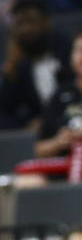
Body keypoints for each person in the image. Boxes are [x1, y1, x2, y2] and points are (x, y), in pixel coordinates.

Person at [0, 0, 70, 139]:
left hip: (67, 112)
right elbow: (4, 108)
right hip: (36, 119)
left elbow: (72, 88)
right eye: (20, 24)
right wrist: (11, 70)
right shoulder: (21, 61)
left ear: (46, 22)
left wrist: (47, 118)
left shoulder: (65, 47)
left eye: (30, 22)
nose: (25, 29)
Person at [36, 30, 82, 158]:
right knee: (28, 179)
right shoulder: (61, 94)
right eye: (78, 50)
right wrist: (59, 142)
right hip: (64, 166)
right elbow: (39, 149)